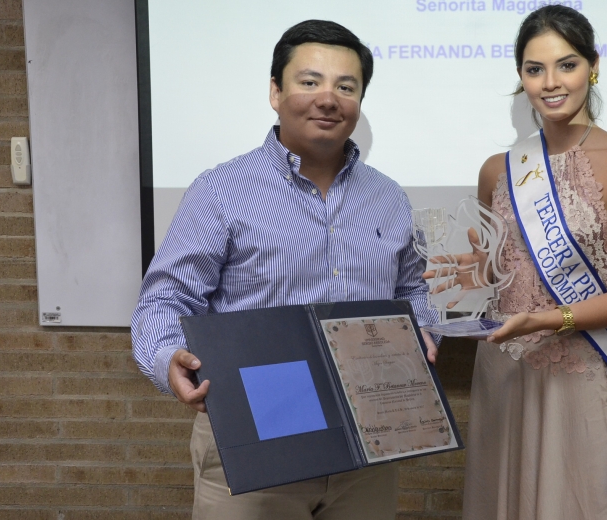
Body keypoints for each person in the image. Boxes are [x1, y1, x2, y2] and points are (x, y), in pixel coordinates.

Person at [131, 20, 438, 520]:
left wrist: (422, 331)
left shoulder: (389, 198)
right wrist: (168, 358)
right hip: (255, 428)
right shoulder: (220, 191)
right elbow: (165, 299)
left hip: (367, 435)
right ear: (276, 91)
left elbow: (412, 289)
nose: (329, 98)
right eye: (309, 81)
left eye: (347, 86)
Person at [457, 6, 607, 520]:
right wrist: (472, 277)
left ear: (594, 66)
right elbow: (503, 272)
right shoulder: (498, 169)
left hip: (580, 366)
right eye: (534, 69)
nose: (550, 83)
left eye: (566, 65)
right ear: (520, 77)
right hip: (506, 369)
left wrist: (551, 320)